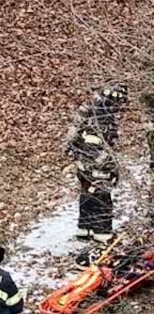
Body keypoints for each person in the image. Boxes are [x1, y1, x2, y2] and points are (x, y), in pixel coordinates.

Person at [67, 84, 127, 243]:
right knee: (102, 197)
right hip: (99, 167)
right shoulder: (108, 121)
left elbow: (72, 136)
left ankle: (85, 230)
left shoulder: (87, 111)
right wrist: (110, 170)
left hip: (82, 164)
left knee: (86, 193)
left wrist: (75, 155)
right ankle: (103, 234)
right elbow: (108, 149)